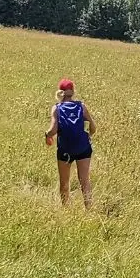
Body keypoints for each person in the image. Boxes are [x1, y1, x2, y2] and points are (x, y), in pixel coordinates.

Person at [43, 78, 97, 208]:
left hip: (65, 149)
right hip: (83, 148)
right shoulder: (81, 106)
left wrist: (47, 135)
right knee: (84, 181)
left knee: (64, 183)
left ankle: (66, 209)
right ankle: (89, 209)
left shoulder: (57, 108)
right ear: (73, 91)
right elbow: (93, 127)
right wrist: (89, 135)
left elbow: (53, 130)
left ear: (59, 92)